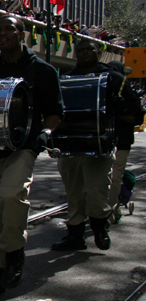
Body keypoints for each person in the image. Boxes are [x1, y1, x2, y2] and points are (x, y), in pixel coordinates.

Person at [0, 15, 63, 299]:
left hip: (24, 146)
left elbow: (55, 112)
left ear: (22, 34)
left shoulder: (43, 71)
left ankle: (14, 254)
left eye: (9, 29)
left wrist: (45, 132)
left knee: (11, 195)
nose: (2, 34)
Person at [51, 41, 143, 250]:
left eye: (89, 49)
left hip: (101, 146)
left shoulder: (114, 78)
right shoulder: (66, 80)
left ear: (98, 52)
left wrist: (120, 108)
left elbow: (136, 116)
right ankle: (75, 235)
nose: (85, 53)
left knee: (96, 190)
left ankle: (100, 229)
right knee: (74, 192)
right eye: (81, 50)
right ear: (76, 54)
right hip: (71, 146)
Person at [107, 60, 145, 225]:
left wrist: (119, 111)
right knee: (105, 178)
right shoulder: (103, 90)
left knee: (115, 177)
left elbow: (137, 118)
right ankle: (113, 209)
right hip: (103, 142)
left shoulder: (127, 91)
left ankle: (108, 212)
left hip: (121, 141)